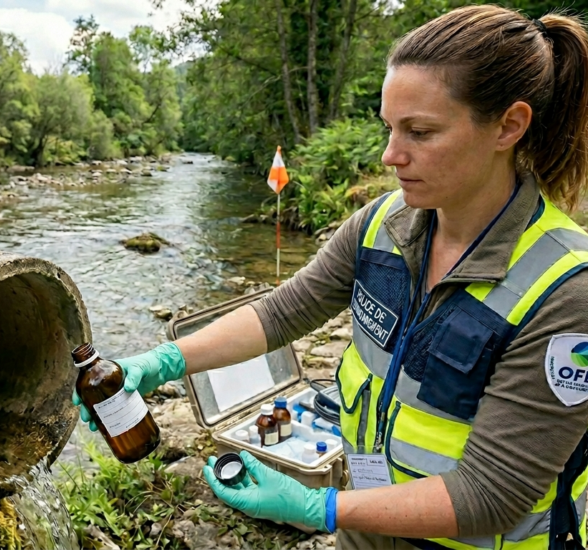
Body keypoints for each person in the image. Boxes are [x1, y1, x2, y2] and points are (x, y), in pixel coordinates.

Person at [74, 5, 588, 548]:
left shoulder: (567, 291)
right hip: (367, 521)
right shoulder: (380, 224)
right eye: (389, 128)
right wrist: (164, 362)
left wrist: (316, 505)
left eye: (420, 131)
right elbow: (282, 311)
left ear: (509, 125)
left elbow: (491, 494)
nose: (391, 155)